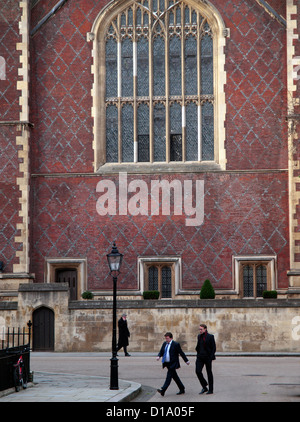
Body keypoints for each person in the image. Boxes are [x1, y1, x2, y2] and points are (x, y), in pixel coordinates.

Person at [156, 332, 190, 396]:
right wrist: (159, 356)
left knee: (169, 376)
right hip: (167, 363)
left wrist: (186, 360)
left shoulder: (175, 344)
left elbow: (181, 353)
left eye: (167, 338)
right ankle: (182, 388)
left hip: (173, 363)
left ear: (171, 338)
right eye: (166, 338)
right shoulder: (164, 344)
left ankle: (163, 390)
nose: (166, 340)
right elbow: (161, 351)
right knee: (175, 376)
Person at [195, 323, 216, 395]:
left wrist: (211, 356)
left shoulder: (210, 337)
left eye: (201, 329)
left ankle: (211, 389)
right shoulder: (199, 336)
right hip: (200, 357)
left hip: (207, 357)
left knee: (209, 372)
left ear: (205, 329)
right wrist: (198, 353)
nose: (200, 330)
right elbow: (198, 346)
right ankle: (204, 386)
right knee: (198, 371)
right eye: (199, 329)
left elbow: (213, 347)